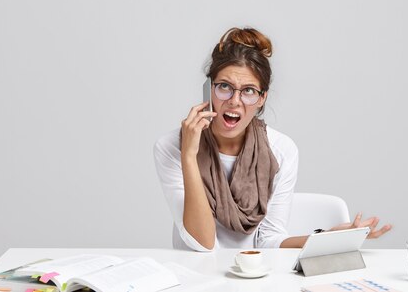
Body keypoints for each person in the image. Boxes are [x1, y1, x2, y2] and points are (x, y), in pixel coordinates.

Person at [154, 27, 392, 251]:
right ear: (209, 89)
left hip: (255, 276)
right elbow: (203, 244)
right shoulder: (171, 148)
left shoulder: (281, 151)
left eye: (248, 90)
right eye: (224, 86)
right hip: (195, 277)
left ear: (261, 98)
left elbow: (269, 241)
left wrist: (327, 238)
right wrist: (188, 154)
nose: (235, 101)